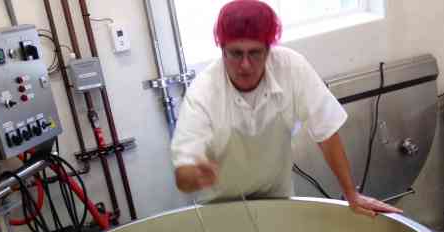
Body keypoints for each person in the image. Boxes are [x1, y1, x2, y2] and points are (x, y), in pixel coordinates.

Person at [171, 0, 401, 217]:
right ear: (222, 50)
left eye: (255, 53)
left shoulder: (291, 68)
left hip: (277, 197)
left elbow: (326, 132)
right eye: (235, 53)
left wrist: (351, 194)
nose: (245, 65)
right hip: (220, 206)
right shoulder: (203, 92)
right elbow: (184, 171)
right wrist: (192, 176)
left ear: (269, 50)